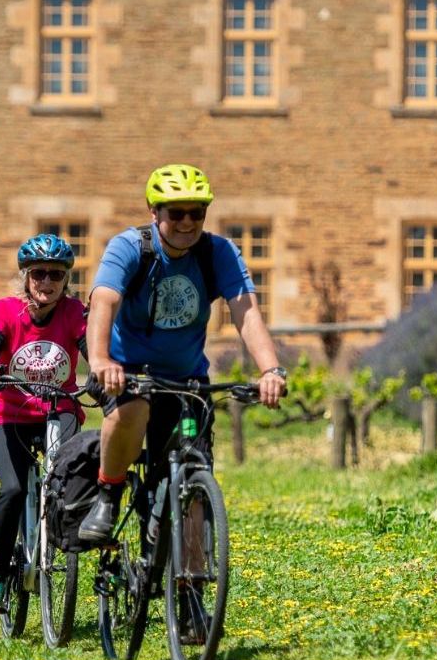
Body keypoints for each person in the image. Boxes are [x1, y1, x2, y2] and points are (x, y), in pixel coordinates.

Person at [77, 164, 287, 544]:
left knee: (194, 467)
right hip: (126, 372)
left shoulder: (216, 252)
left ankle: (191, 588)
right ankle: (108, 494)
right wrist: (101, 360)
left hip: (186, 378)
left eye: (197, 213)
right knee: (134, 408)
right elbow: (103, 300)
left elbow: (247, 311)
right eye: (176, 213)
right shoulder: (130, 247)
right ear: (153, 211)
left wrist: (271, 369)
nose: (188, 222)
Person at [0, 233, 88, 613]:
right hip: (11, 415)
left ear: (66, 279)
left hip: (59, 408)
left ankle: (60, 545)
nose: (46, 282)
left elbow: (90, 349)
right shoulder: (6, 309)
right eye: (38, 274)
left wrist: (103, 374)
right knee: (14, 489)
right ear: (26, 277)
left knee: (64, 482)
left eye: (55, 275)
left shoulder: (74, 313)